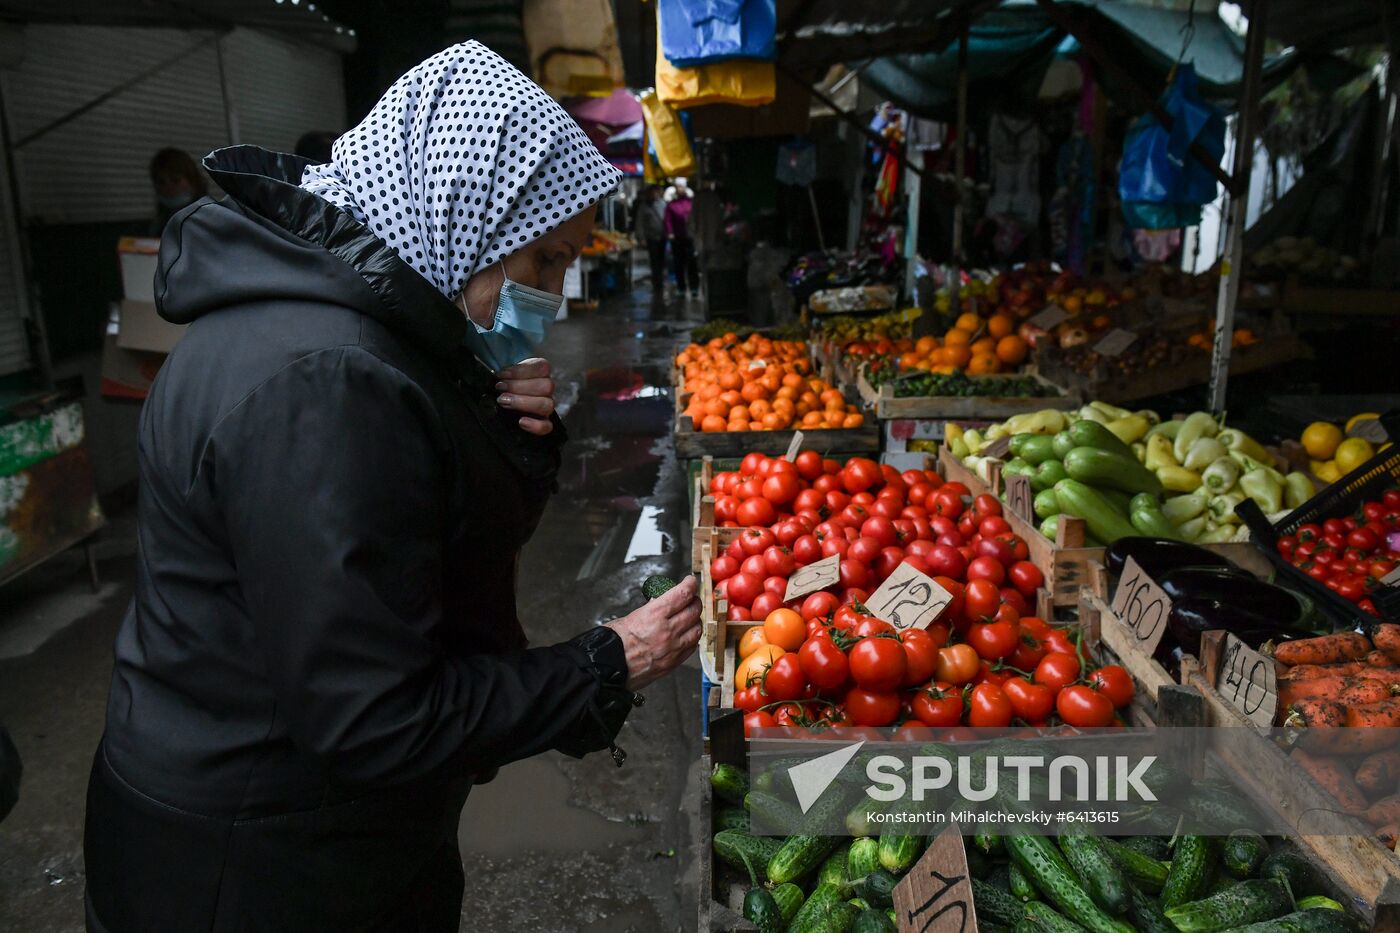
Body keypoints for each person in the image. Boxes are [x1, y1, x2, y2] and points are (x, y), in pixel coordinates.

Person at [84, 41, 701, 933]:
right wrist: (603, 665)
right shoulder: (329, 382)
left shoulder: (355, 332)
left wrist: (503, 436)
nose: (557, 298)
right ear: (464, 219)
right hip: (259, 871)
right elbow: (376, 718)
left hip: (283, 832)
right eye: (545, 264)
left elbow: (427, 547)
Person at [148, 148, 208, 233]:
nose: (168, 187)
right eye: (161, 182)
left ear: (192, 180)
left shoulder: (209, 216)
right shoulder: (160, 220)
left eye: (175, 180)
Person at [664, 180, 699, 298]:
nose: (680, 189)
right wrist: (670, 232)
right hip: (677, 238)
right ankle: (681, 288)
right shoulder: (671, 204)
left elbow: (695, 218)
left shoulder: (691, 203)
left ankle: (694, 288)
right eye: (678, 187)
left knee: (692, 263)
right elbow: (668, 220)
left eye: (681, 187)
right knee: (679, 264)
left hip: (690, 238)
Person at [633, 185, 666, 295]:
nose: (653, 195)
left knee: (661, 260)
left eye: (655, 193)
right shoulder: (643, 207)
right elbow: (639, 223)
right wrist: (641, 238)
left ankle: (660, 279)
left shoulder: (662, 204)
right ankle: (657, 282)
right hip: (651, 238)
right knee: (654, 260)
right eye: (651, 193)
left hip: (663, 237)